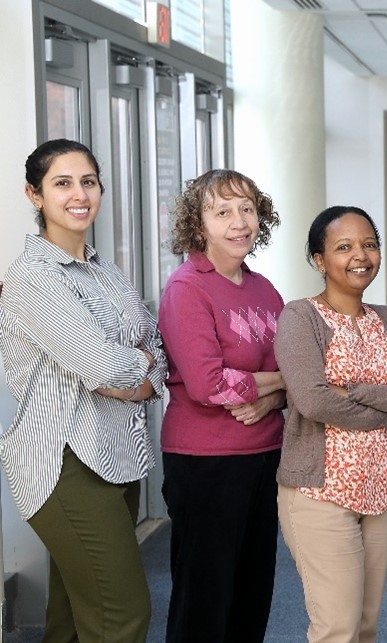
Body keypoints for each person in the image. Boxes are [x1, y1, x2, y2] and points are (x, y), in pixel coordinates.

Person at [0, 139, 166, 642]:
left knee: (74, 619)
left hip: (118, 455)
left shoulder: (106, 272)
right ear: (35, 195)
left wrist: (136, 373)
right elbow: (101, 365)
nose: (79, 194)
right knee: (122, 615)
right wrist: (133, 369)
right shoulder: (33, 278)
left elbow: (155, 349)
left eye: (88, 182)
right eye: (62, 183)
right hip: (63, 462)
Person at [275, 206, 387, 642]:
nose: (360, 255)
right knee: (336, 628)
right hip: (319, 494)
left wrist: (352, 390)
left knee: (364, 626)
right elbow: (311, 400)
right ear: (320, 260)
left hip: (382, 493)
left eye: (369, 244)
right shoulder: (299, 318)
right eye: (344, 247)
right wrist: (386, 402)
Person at [158, 169, 287, 642]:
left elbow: (296, 376)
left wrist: (267, 390)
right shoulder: (187, 287)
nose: (239, 222)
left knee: (253, 596)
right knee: (204, 602)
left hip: (265, 456)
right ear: (199, 223)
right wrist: (273, 387)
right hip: (205, 462)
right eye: (222, 212)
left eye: (248, 209)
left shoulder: (264, 289)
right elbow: (207, 384)